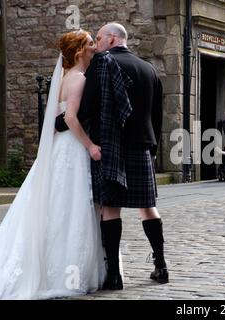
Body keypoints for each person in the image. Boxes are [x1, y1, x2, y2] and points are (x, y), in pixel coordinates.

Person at [55, 23, 166, 289]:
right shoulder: (149, 69)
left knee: (110, 208)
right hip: (141, 145)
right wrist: (153, 148)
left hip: (112, 146)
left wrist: (59, 124)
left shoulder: (103, 64)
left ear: (112, 38)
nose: (97, 42)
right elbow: (157, 115)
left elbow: (89, 106)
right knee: (148, 207)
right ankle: (161, 266)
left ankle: (114, 276)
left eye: (100, 37)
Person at [0, 30, 106, 299]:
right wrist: (90, 146)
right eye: (91, 43)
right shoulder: (79, 79)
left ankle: (49, 266)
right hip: (71, 148)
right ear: (80, 51)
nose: (95, 47)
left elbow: (56, 121)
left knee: (52, 204)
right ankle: (62, 273)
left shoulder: (61, 79)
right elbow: (70, 119)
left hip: (59, 148)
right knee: (69, 206)